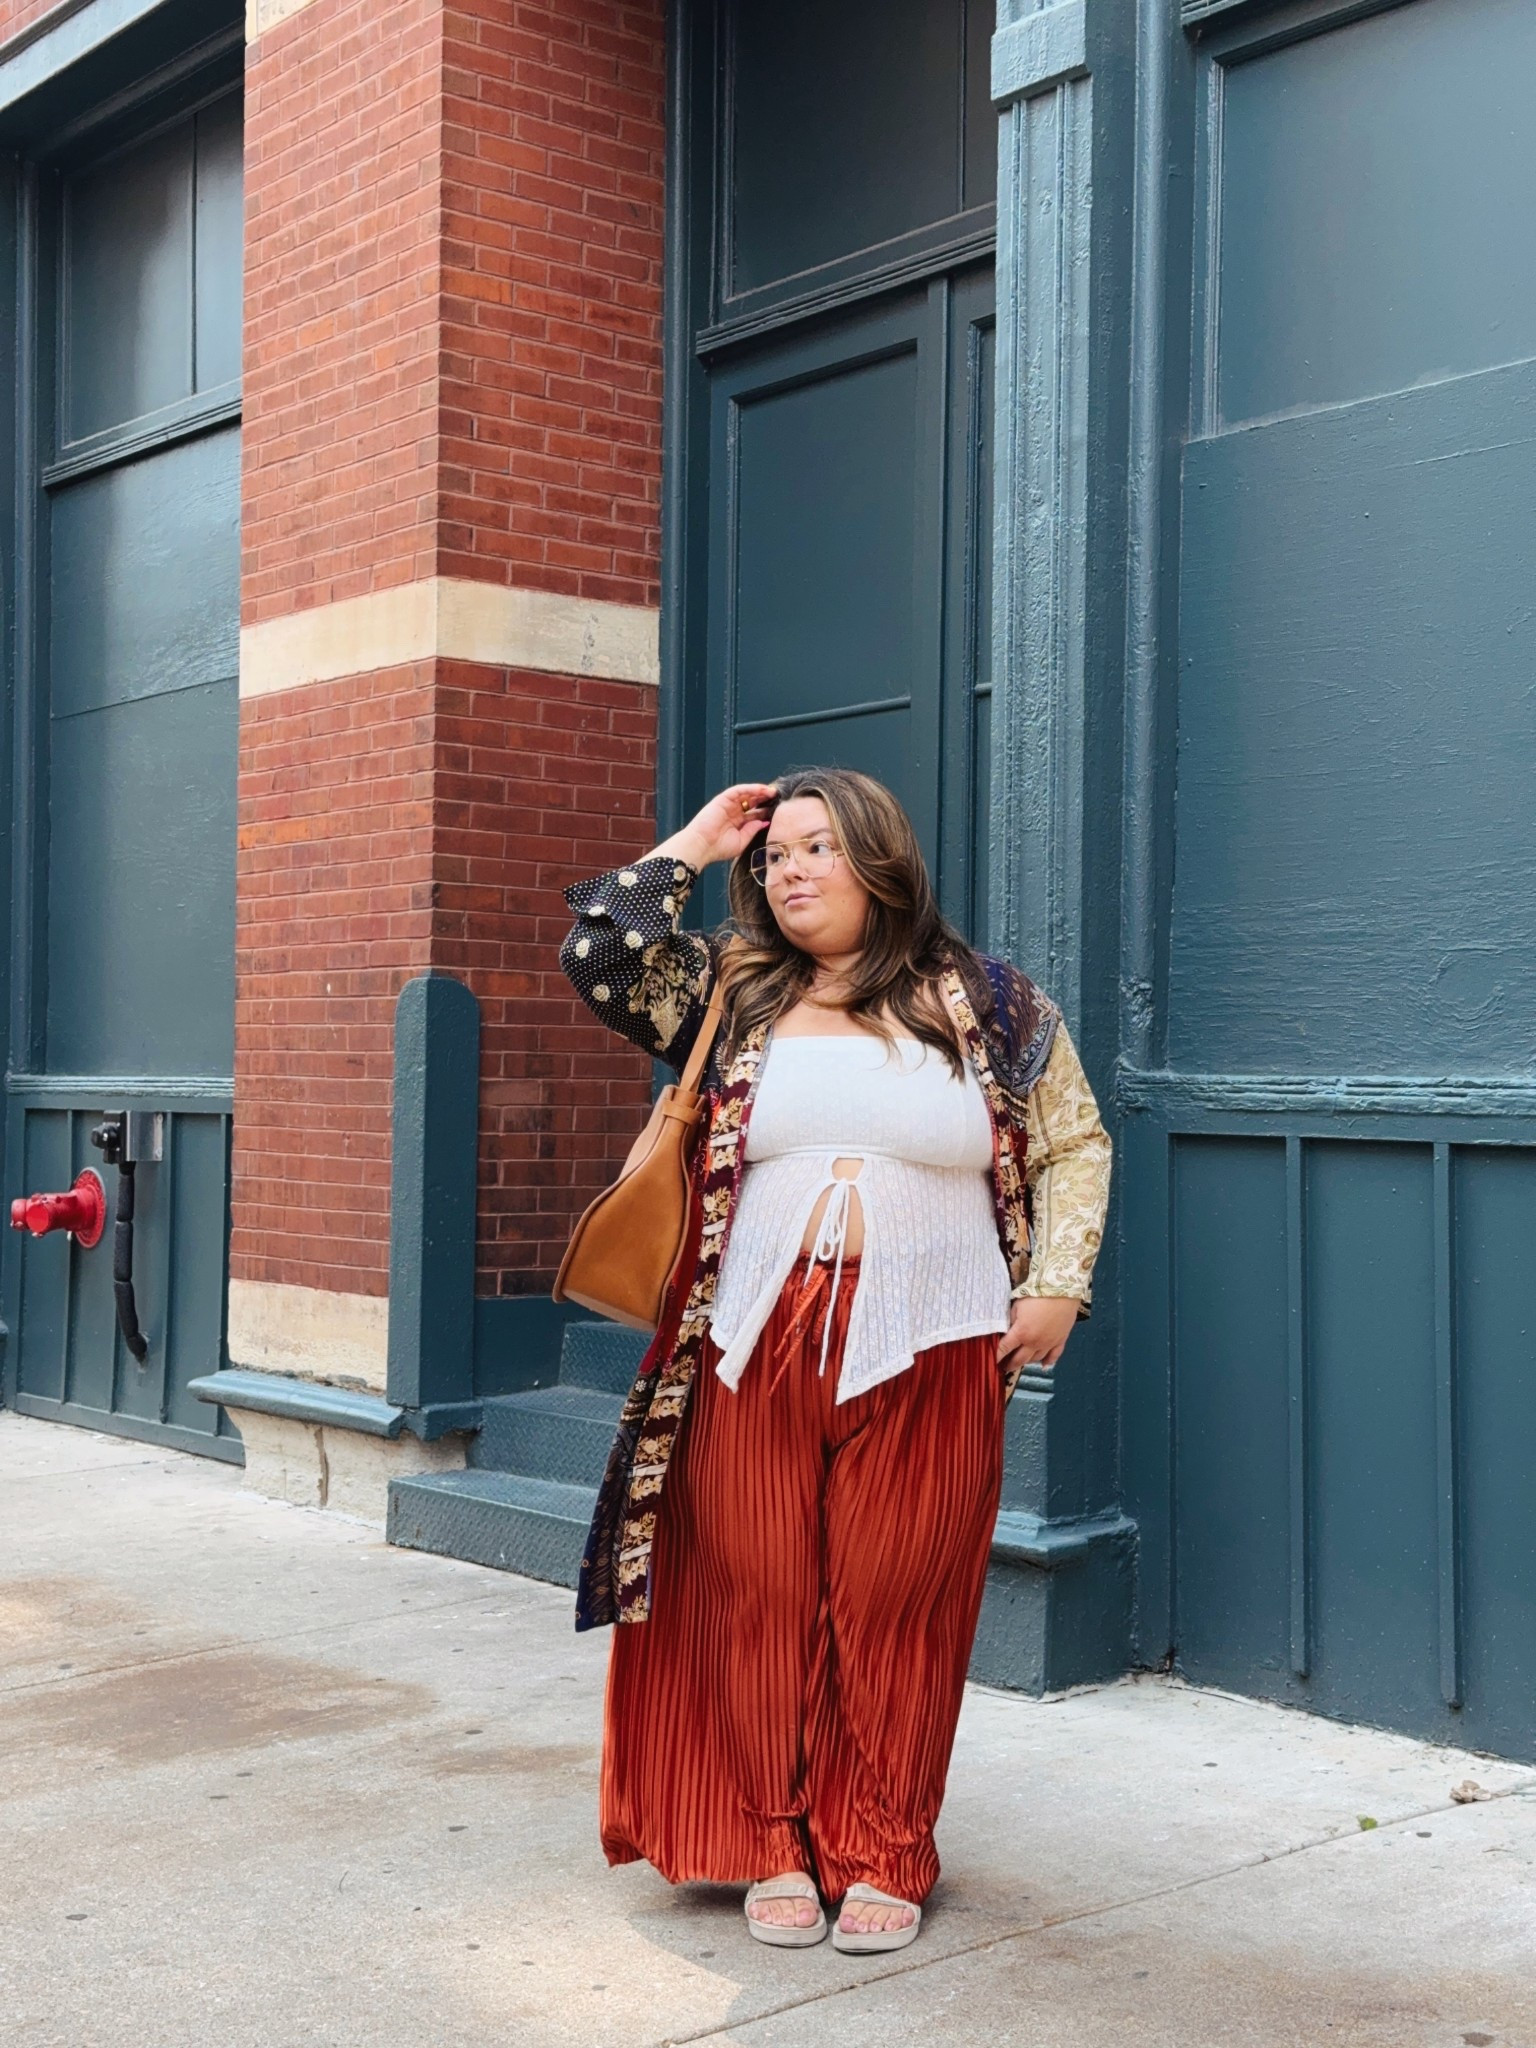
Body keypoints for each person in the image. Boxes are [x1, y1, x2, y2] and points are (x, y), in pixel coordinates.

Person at [558, 769, 1111, 1954]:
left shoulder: (992, 1002)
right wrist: (700, 842)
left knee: (898, 1599)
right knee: (760, 1594)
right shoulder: (732, 988)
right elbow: (601, 949)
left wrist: (1057, 1278)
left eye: (816, 848)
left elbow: (1075, 1137)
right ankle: (768, 1834)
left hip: (939, 1335)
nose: (787, 870)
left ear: (881, 862)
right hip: (753, 1337)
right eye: (775, 855)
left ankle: (884, 1845)